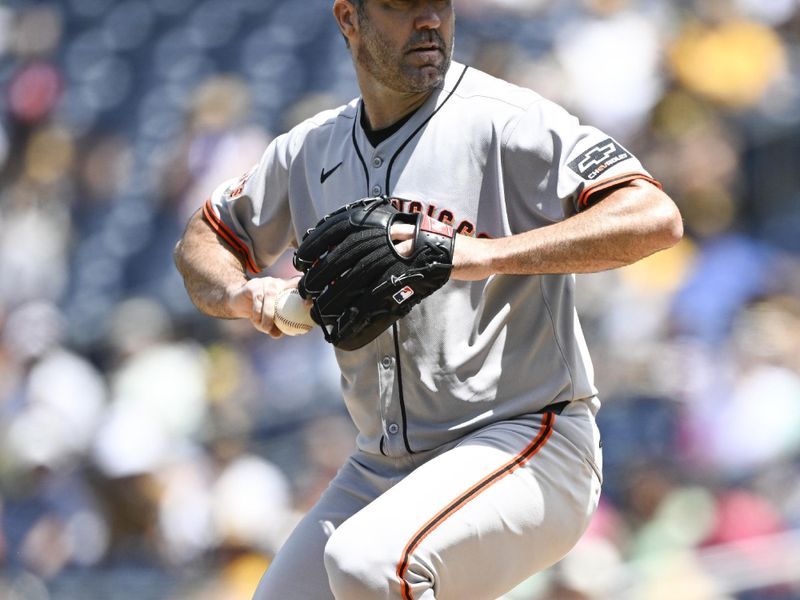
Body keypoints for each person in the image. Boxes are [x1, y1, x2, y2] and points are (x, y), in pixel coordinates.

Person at [174, 0, 683, 598]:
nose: (429, 20)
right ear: (348, 18)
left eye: (438, 4)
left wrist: (480, 255)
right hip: (383, 466)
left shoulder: (507, 119)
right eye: (401, 5)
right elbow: (202, 241)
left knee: (371, 565)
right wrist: (242, 294)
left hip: (527, 441)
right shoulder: (309, 150)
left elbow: (654, 215)